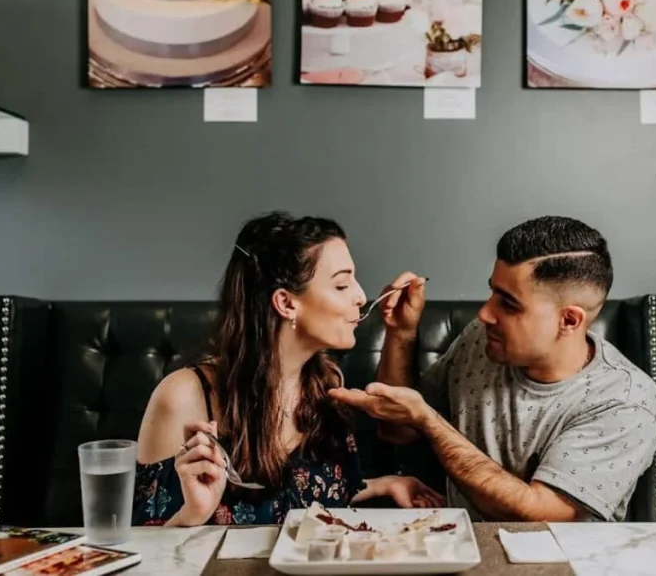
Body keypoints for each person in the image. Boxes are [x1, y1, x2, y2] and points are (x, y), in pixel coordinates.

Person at [330, 216, 656, 523]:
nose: (486, 313)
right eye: (492, 291)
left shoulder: (626, 400)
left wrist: (429, 421)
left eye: (508, 303)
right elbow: (398, 432)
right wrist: (401, 333)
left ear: (569, 320)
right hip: (456, 549)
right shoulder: (483, 340)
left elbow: (538, 516)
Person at [133, 211, 443, 527]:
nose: (362, 296)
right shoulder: (184, 396)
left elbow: (311, 499)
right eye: (341, 285)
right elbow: (147, 552)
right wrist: (192, 515)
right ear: (286, 303)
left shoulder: (326, 384)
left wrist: (386, 483)